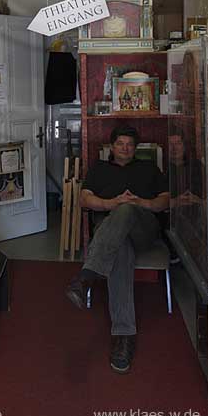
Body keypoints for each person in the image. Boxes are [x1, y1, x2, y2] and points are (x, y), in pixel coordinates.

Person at [66, 124, 169, 374]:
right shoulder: (99, 169)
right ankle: (124, 337)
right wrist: (111, 203)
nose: (125, 148)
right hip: (112, 232)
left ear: (135, 148)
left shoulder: (149, 168)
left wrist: (140, 203)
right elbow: (83, 199)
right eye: (121, 143)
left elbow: (166, 200)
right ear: (112, 146)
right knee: (120, 247)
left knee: (127, 209)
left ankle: (86, 277)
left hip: (143, 227)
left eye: (130, 145)